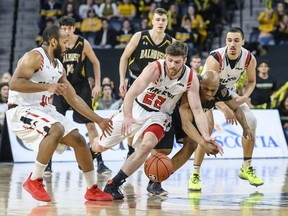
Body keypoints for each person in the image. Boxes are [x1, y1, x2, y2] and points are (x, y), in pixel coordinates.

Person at [92, 41, 222, 200]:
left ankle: (113, 184)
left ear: (185, 60)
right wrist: (127, 116)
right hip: (136, 108)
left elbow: (197, 110)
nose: (173, 65)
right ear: (165, 57)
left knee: (147, 145)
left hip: (160, 115)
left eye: (177, 62)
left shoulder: (190, 77)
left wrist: (206, 136)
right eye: (170, 60)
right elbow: (131, 94)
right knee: (100, 146)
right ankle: (91, 148)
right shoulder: (154, 68)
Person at [5, 25, 113, 202]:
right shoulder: (34, 57)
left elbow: (74, 99)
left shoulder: (59, 67)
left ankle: (92, 189)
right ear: (53, 42)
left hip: (43, 109)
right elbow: (15, 84)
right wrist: (48, 87)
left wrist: (99, 120)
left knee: (79, 140)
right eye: (65, 42)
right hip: (21, 108)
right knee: (56, 129)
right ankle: (34, 180)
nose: (68, 46)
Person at [147, 70, 253, 195]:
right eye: (205, 89)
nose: (208, 93)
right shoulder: (192, 86)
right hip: (169, 112)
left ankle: (157, 181)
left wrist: (245, 127)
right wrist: (203, 142)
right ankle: (147, 171)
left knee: (191, 145)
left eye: (212, 91)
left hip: (192, 116)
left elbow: (236, 108)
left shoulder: (221, 91)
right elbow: (186, 124)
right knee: (164, 150)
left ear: (218, 87)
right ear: (200, 83)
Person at [195, 27, 264, 189]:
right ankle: (195, 173)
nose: (232, 44)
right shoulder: (216, 58)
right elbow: (211, 91)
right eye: (229, 40)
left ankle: (246, 167)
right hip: (204, 93)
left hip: (227, 92)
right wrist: (226, 108)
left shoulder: (249, 58)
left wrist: (245, 96)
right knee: (207, 129)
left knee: (251, 121)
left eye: (236, 40)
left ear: (243, 42)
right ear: (226, 41)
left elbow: (252, 82)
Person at [47, 16, 111, 176]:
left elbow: (95, 62)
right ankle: (47, 164)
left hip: (80, 86)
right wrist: (48, 89)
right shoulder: (57, 44)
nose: (67, 31)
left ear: (74, 29)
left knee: (91, 124)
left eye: (70, 28)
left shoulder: (83, 43)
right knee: (54, 126)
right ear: (60, 29)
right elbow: (48, 66)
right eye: (64, 28)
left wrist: (97, 84)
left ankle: (100, 162)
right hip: (61, 87)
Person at [118, 7, 175, 160]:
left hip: (156, 87)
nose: (160, 22)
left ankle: (152, 154)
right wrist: (121, 80)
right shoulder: (139, 36)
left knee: (153, 119)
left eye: (163, 20)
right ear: (152, 21)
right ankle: (130, 150)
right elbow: (124, 58)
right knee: (132, 117)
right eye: (158, 19)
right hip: (135, 81)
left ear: (167, 22)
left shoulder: (171, 43)